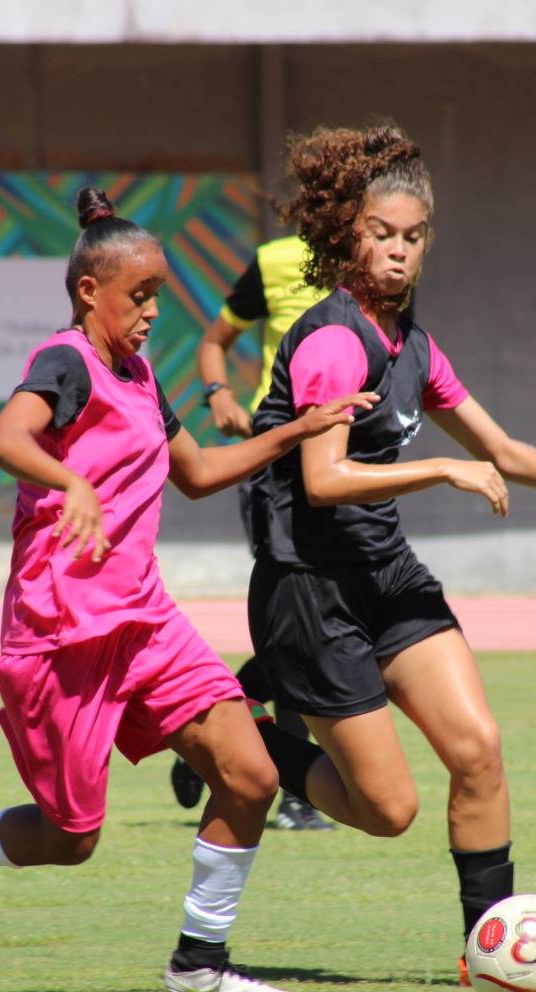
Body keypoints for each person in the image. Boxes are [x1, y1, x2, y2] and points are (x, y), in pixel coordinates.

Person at [0, 187, 377, 992]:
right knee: (71, 837)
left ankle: (199, 961)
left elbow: (195, 475)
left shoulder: (142, 374)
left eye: (159, 294)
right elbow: (4, 438)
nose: (154, 311)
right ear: (91, 292)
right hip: (62, 636)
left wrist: (298, 432)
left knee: (250, 772)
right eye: (140, 296)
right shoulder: (66, 363)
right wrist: (67, 480)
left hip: (146, 623)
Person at [240, 125, 536, 983]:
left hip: (386, 576)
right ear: (345, 234)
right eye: (380, 234)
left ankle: (486, 954)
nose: (396, 253)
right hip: (311, 590)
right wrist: (439, 468)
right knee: (387, 811)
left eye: (412, 237)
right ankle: (230, 729)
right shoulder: (332, 340)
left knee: (478, 751)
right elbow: (321, 480)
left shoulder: (415, 345)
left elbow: (500, 449)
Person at [168, 234, 337, 831]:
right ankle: (290, 791)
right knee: (297, 622)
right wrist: (219, 394)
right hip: (277, 466)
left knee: (323, 629)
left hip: (343, 467)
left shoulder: (384, 269)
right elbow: (215, 341)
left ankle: (212, 727)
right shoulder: (275, 260)